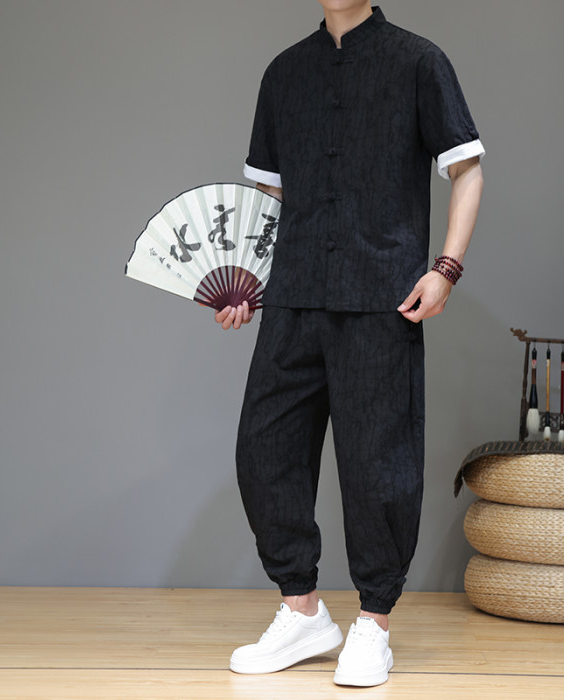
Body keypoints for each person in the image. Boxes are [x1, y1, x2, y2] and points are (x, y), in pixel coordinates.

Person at [215, 0, 484, 687]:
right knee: (264, 450)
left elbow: (467, 168)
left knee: (379, 466)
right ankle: (302, 611)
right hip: (292, 297)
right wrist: (244, 281)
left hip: (382, 299)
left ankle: (374, 624)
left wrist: (446, 268)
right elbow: (268, 203)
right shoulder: (284, 73)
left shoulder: (419, 62)